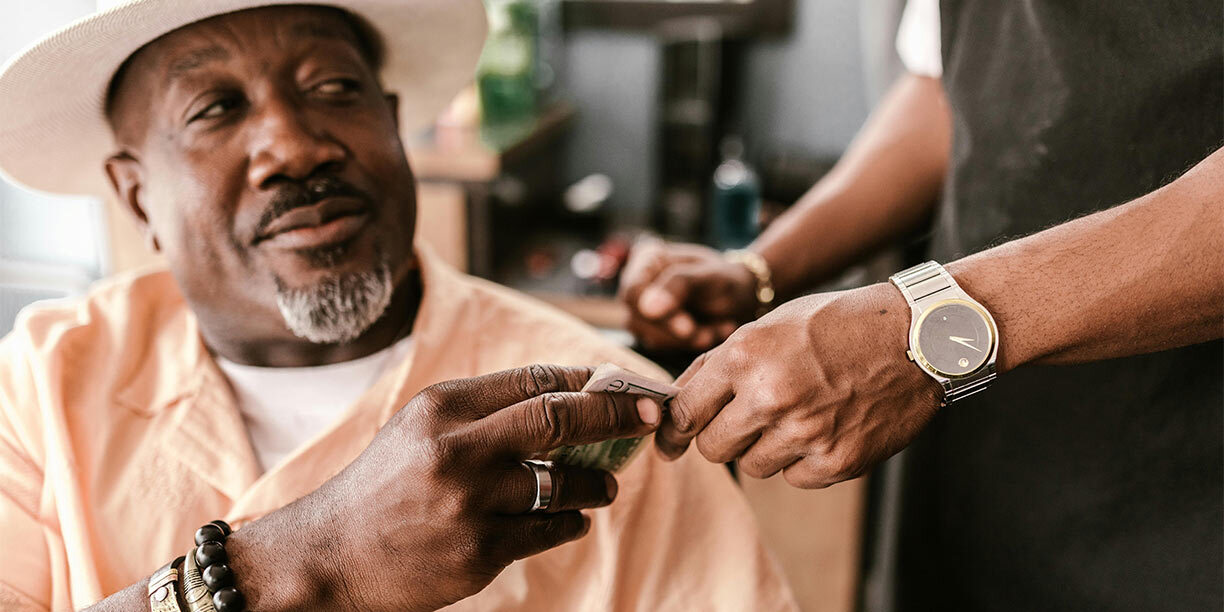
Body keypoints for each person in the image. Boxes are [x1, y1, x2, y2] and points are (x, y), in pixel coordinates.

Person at [0, 2, 797, 611]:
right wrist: (305, 563)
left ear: (391, 118)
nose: (295, 145)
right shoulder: (39, 388)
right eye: (215, 109)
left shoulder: (596, 413)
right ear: (135, 194)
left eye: (334, 88)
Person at [620, 0, 1222, 609]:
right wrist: (758, 270)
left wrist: (922, 331)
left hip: (1183, 494)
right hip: (977, 474)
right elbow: (948, 91)